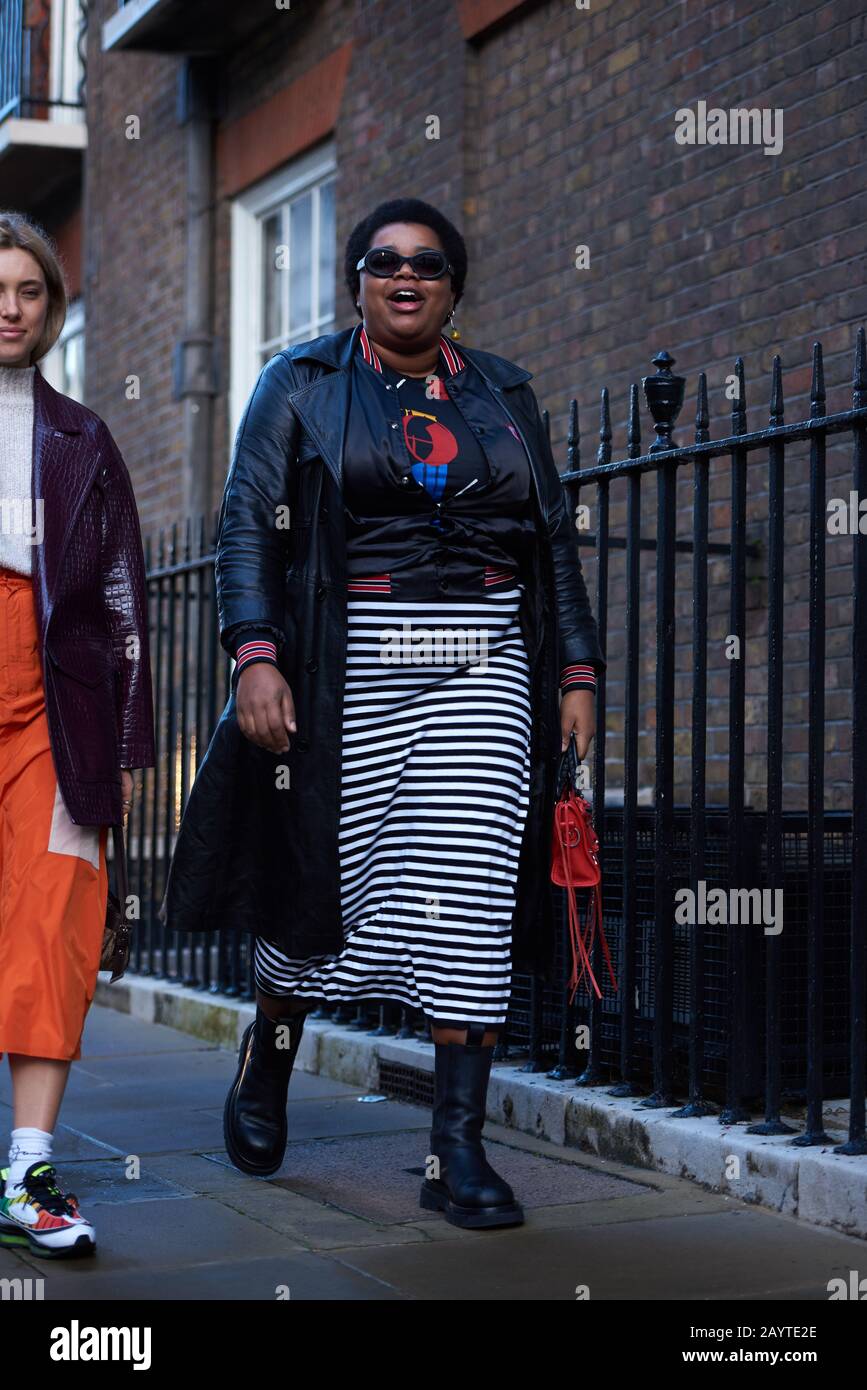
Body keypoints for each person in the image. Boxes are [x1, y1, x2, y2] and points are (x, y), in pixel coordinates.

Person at [161, 197, 604, 1230]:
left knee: (473, 891)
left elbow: (552, 543)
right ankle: (268, 1061)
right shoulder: (302, 382)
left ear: (455, 286)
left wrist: (576, 670)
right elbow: (246, 527)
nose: (408, 276)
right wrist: (254, 654)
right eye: (385, 261)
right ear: (356, 279)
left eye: (431, 264)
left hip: (486, 667)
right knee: (326, 885)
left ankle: (456, 1149)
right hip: (346, 667)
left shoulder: (503, 393)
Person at [0, 213, 155, 1257]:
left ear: (52, 308)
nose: (8, 308)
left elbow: (122, 603)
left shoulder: (82, 438)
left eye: (28, 290)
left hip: (57, 708)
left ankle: (26, 1171)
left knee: (55, 918)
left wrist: (131, 745)